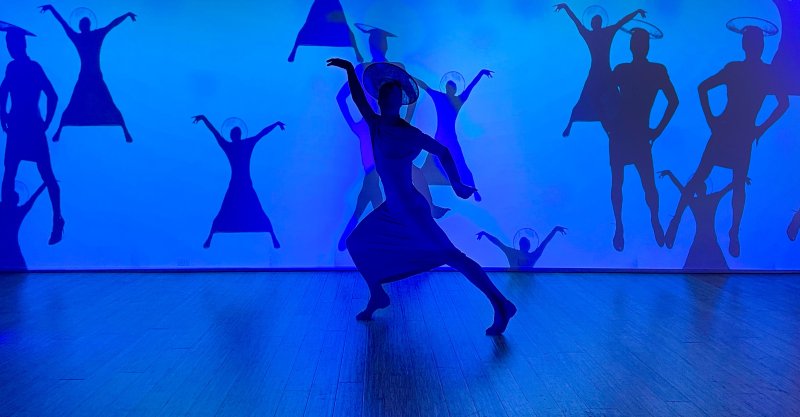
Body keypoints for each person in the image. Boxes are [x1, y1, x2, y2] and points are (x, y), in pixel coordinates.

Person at [327, 58, 516, 335]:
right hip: (392, 209)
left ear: (399, 101)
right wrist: (348, 70)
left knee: (452, 255)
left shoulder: (409, 133)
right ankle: (377, 294)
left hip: (411, 209)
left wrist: (457, 184)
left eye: (392, 96)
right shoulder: (375, 124)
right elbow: (357, 98)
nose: (386, 100)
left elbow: (443, 151)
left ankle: (501, 303)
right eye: (383, 95)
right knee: (356, 243)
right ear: (380, 99)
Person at [665, 20, 789, 258]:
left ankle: (689, 223)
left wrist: (714, 120)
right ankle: (716, 228)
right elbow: (783, 104)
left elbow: (703, 88)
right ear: (760, 46)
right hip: (737, 133)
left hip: (730, 132)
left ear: (745, 45)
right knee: (729, 182)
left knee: (706, 178)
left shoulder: (742, 70)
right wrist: (759, 128)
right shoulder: (762, 73)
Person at [608, 25, 678, 251]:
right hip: (630, 134)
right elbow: (673, 101)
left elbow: (673, 101)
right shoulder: (650, 71)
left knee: (630, 183)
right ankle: (627, 225)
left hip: (628, 135)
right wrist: (656, 131)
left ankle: (638, 223)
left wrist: (657, 131)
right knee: (639, 184)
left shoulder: (631, 70)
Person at [0, 25, 64, 245]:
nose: (9, 48)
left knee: (44, 173)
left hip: (29, 128)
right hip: (20, 128)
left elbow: (52, 96)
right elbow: (3, 91)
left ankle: (57, 219)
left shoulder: (33, 67)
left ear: (21, 44)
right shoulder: (12, 67)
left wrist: (46, 123)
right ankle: (5, 215)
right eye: (7, 44)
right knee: (10, 172)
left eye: (11, 44)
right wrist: (3, 114)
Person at [40, 5, 136, 143]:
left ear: (87, 25)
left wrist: (126, 14)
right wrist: (52, 9)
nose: (82, 25)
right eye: (81, 24)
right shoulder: (85, 37)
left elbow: (113, 24)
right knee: (77, 102)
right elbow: (63, 23)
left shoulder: (93, 36)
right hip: (88, 76)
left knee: (106, 102)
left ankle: (125, 131)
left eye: (83, 23)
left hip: (92, 77)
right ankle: (59, 131)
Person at [192, 115, 285, 249]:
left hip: (240, 185)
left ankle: (274, 238)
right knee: (237, 209)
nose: (233, 136)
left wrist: (275, 124)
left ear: (234, 136)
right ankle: (210, 238)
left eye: (233, 134)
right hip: (240, 184)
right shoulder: (244, 145)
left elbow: (215, 132)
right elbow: (261, 133)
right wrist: (276, 124)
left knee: (249, 209)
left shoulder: (236, 146)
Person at [554, 3, 646, 137]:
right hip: (600, 73)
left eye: (595, 21)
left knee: (608, 99)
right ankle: (573, 124)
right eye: (594, 21)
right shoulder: (600, 34)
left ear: (597, 23)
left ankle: (615, 128)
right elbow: (577, 21)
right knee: (594, 98)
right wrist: (566, 7)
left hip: (600, 73)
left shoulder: (599, 34)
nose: (594, 23)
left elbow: (621, 22)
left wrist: (636, 12)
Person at [416, 69, 493, 201]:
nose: (450, 89)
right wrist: (409, 76)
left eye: (451, 87)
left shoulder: (454, 100)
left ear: (453, 89)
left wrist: (480, 73)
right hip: (443, 138)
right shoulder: (442, 98)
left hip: (447, 139)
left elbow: (470, 87)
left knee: (459, 163)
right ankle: (421, 187)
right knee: (441, 162)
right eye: (449, 87)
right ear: (448, 88)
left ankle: (474, 190)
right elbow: (424, 86)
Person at [660, 170, 747, 271]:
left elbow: (682, 189)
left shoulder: (698, 201)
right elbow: (727, 188)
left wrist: (670, 174)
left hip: (703, 237)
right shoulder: (709, 199)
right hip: (706, 237)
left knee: (695, 266)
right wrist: (740, 180)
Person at [0, 184, 47, 271]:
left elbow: (33, 198)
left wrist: (44, 185)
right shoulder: (19, 211)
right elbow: (33, 198)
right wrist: (45, 184)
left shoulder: (12, 211)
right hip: (13, 248)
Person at [477, 226, 567, 270]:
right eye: (525, 242)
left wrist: (485, 233)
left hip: (521, 285)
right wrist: (485, 233)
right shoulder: (533, 255)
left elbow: (498, 242)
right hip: (517, 284)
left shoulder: (512, 253)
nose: (525, 244)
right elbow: (497, 242)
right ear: (529, 246)